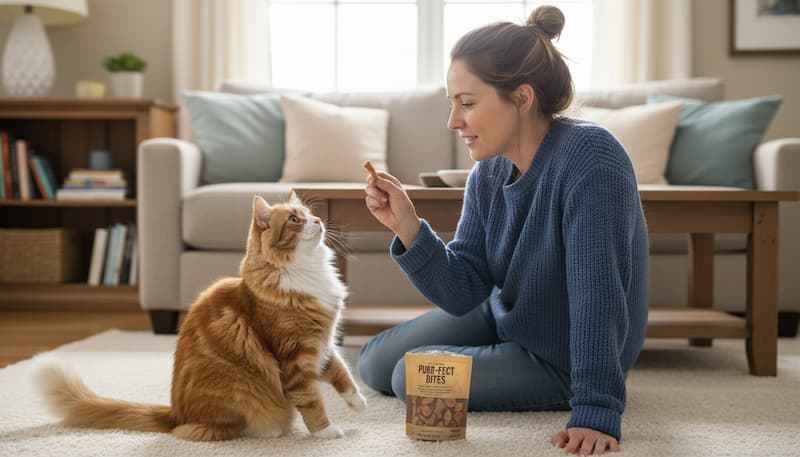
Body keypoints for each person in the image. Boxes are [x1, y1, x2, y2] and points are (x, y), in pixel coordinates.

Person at [357, 5, 648, 456]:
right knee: (375, 363)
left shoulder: (592, 158)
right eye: (452, 103)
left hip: (561, 355)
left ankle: (577, 383)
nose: (453, 122)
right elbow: (464, 288)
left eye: (467, 104)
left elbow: (599, 292)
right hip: (505, 314)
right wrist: (408, 226)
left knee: (406, 377)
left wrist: (596, 407)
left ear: (522, 98)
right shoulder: (489, 171)